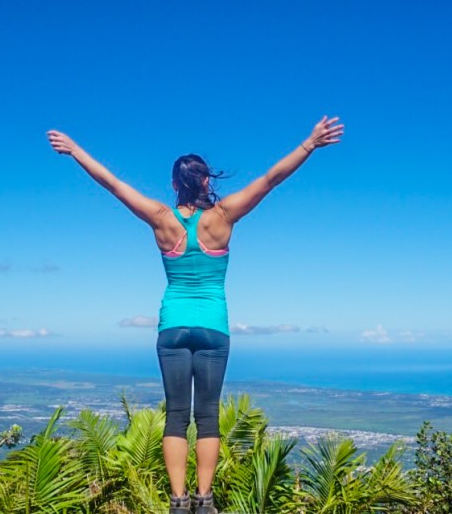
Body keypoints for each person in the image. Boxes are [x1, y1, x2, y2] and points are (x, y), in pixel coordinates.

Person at [47, 116, 344, 514]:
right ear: (206, 181)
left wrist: (76, 150)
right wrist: (309, 144)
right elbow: (271, 179)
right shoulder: (223, 217)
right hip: (213, 329)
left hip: (172, 329)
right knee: (207, 417)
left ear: (174, 185)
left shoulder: (160, 218)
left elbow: (114, 184)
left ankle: (178, 499)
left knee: (175, 416)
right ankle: (205, 500)